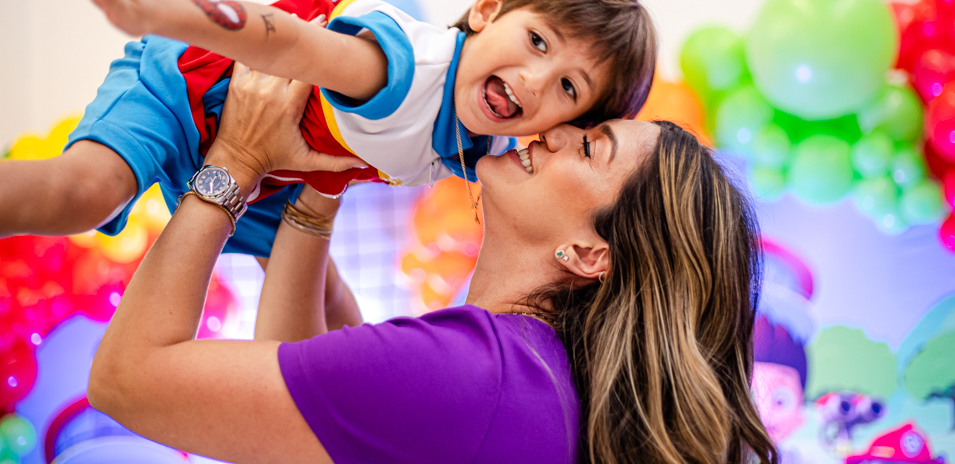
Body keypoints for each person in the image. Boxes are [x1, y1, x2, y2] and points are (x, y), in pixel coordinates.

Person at [86, 63, 778, 464]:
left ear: (592, 253)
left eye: (591, 147)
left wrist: (235, 162)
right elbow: (308, 405)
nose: (555, 131)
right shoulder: (530, 381)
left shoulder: (474, 374)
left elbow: (126, 380)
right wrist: (322, 185)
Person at [0, 0, 656, 259]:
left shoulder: (490, 152)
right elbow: (283, 40)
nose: (536, 81)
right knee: (86, 193)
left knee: (327, 304)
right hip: (184, 94)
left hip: (269, 176)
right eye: (537, 40)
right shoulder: (402, 70)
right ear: (487, 7)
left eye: (568, 87)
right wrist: (155, 11)